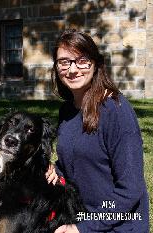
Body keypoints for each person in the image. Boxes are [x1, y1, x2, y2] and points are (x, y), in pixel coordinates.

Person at [51, 29, 149, 233]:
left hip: (119, 226)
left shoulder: (116, 110)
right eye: (64, 62)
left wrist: (83, 228)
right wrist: (55, 170)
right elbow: (75, 159)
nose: (73, 69)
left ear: (95, 64)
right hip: (82, 217)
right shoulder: (67, 110)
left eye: (82, 60)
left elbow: (130, 189)